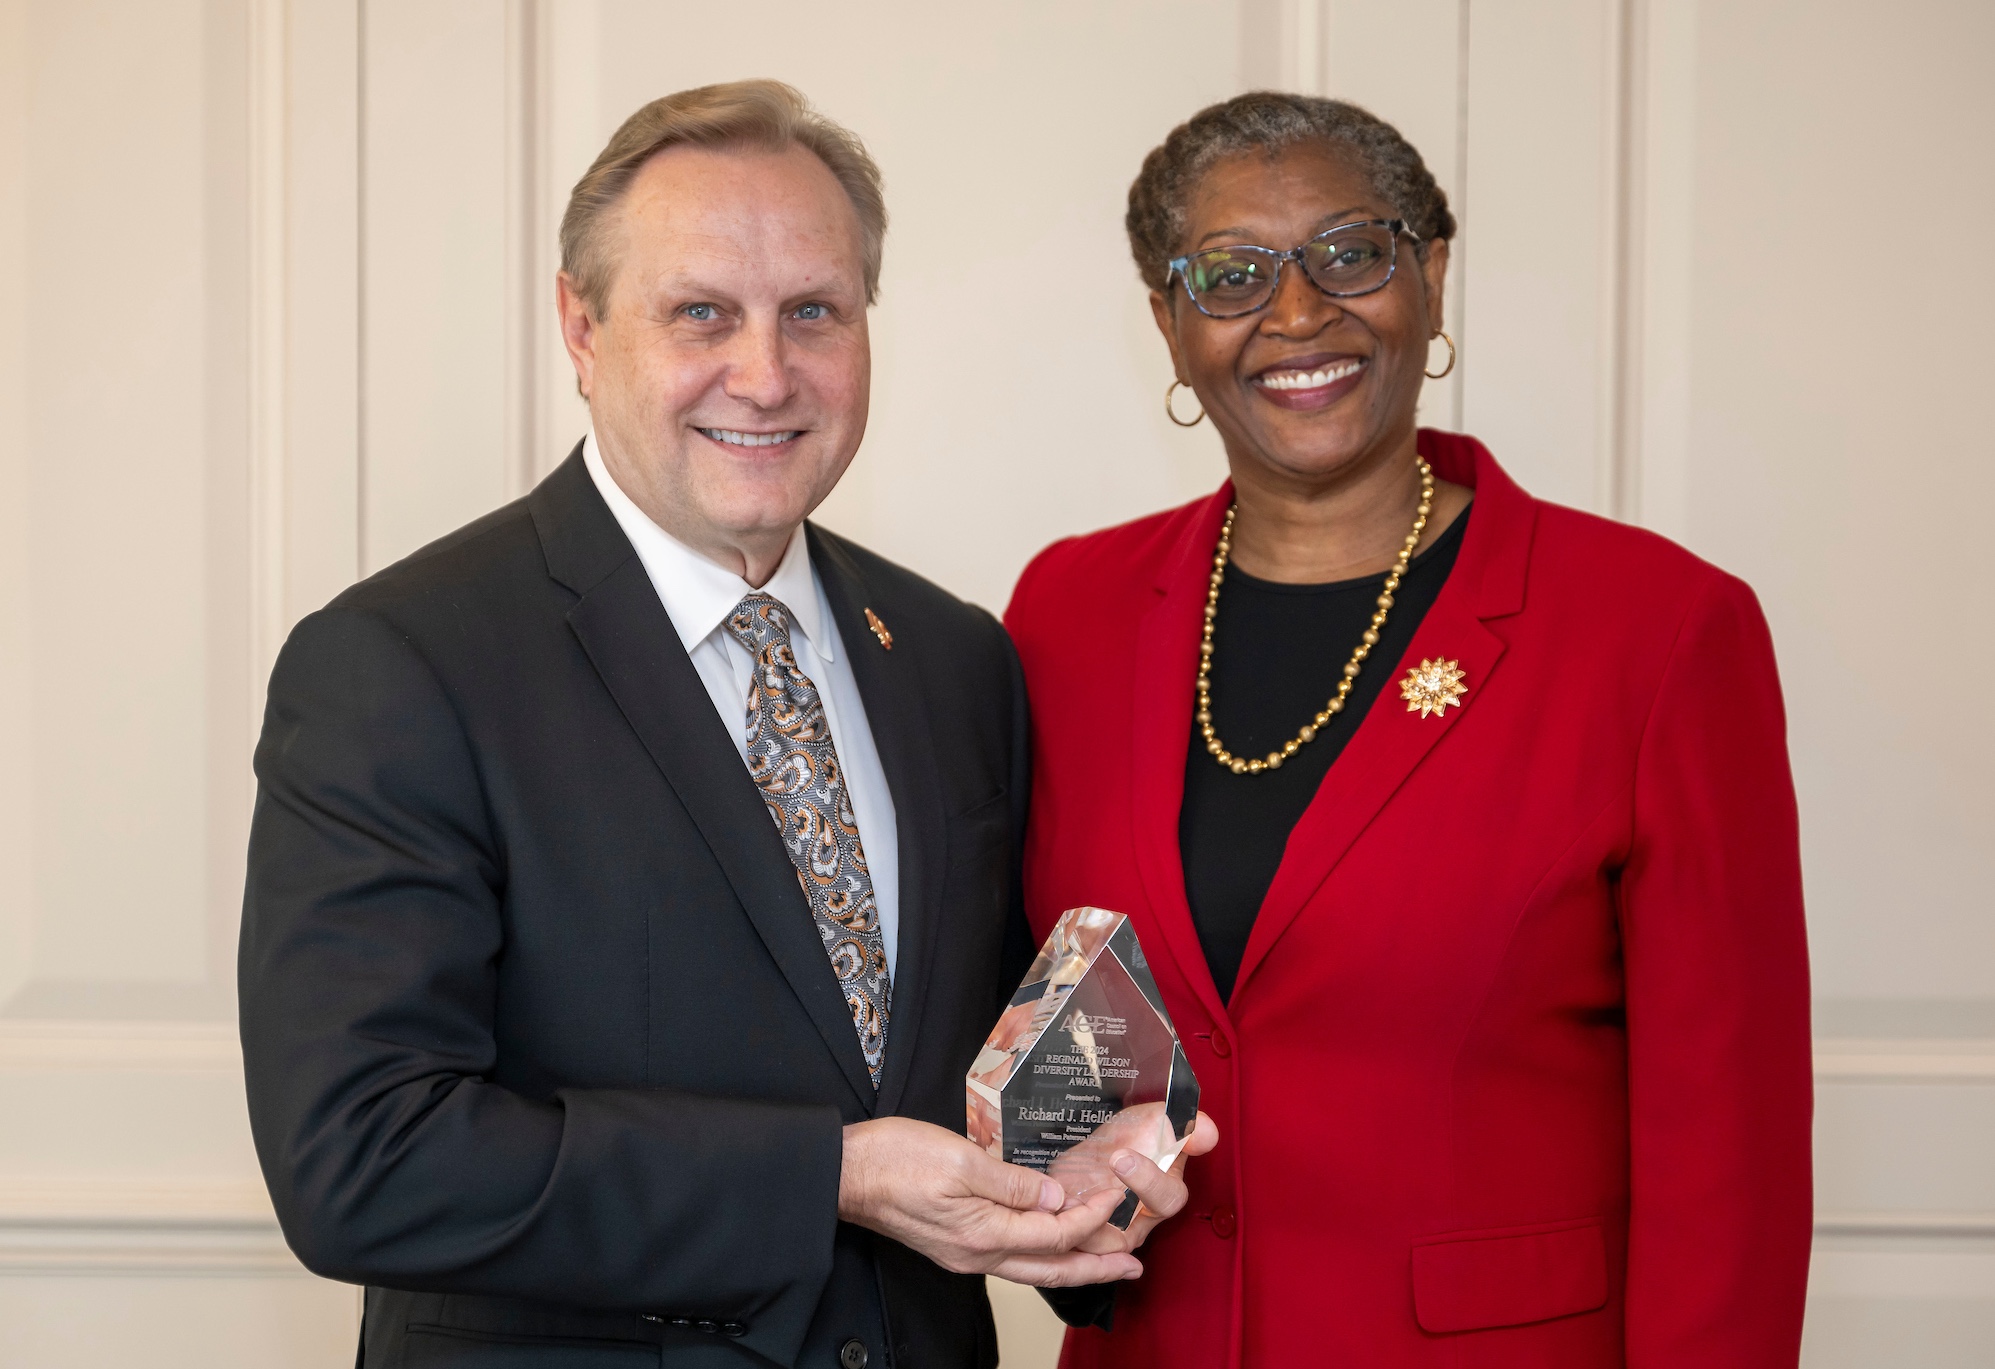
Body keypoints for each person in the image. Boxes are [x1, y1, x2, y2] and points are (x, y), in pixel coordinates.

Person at [239, 80, 1209, 1369]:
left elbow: (968, 1057)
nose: (764, 374)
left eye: (814, 311)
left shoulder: (952, 656)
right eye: (701, 311)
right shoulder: (401, 664)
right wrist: (829, 1176)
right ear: (581, 328)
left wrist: (1076, 1173)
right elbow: (363, 1158)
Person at [1004, 91, 1812, 1367]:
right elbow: (1050, 996)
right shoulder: (1070, 610)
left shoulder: (1656, 633)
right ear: (1168, 324)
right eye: (1231, 274)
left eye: (1352, 252)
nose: (1298, 312)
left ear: (1430, 276)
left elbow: (1733, 1149)